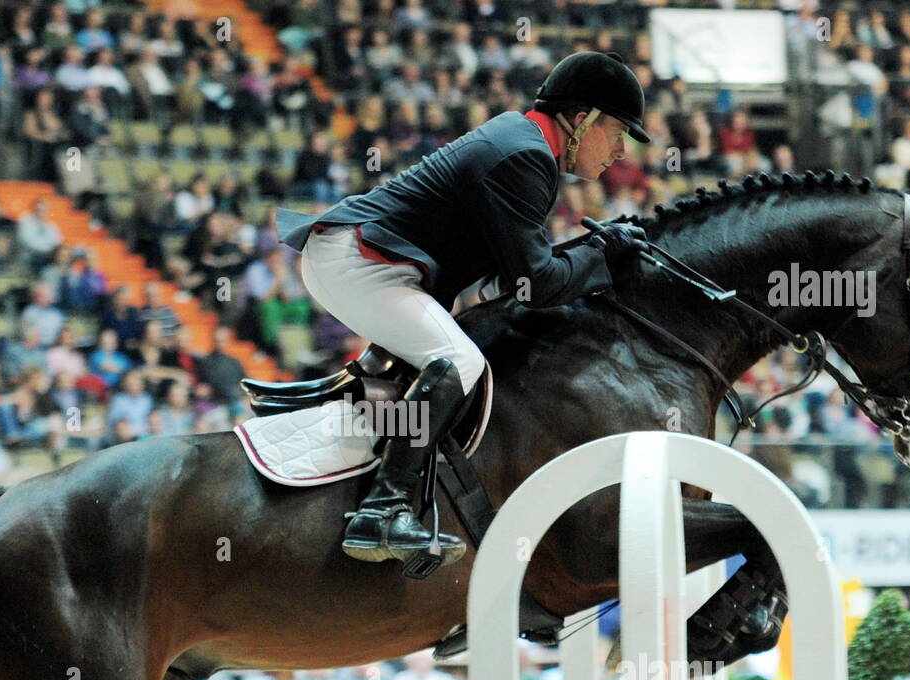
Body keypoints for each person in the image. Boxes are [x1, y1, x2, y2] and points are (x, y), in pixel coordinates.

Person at [276, 51, 649, 575]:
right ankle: (381, 512)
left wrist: (592, 249)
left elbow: (509, 279)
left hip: (368, 259)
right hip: (361, 260)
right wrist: (602, 253)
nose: (620, 150)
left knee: (453, 356)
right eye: (617, 131)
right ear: (581, 118)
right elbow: (536, 284)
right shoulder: (525, 156)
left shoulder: (524, 143)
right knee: (458, 363)